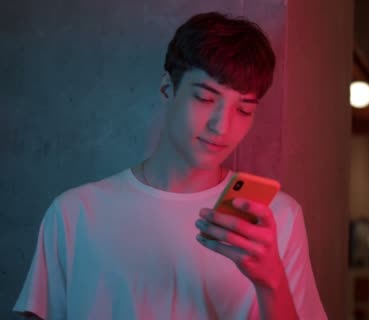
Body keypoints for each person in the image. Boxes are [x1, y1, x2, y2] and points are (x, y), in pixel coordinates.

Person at [13, 12, 326, 320]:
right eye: (205, 98)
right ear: (167, 88)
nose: (222, 126)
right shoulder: (74, 214)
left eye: (244, 109)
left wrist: (270, 281)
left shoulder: (277, 218)